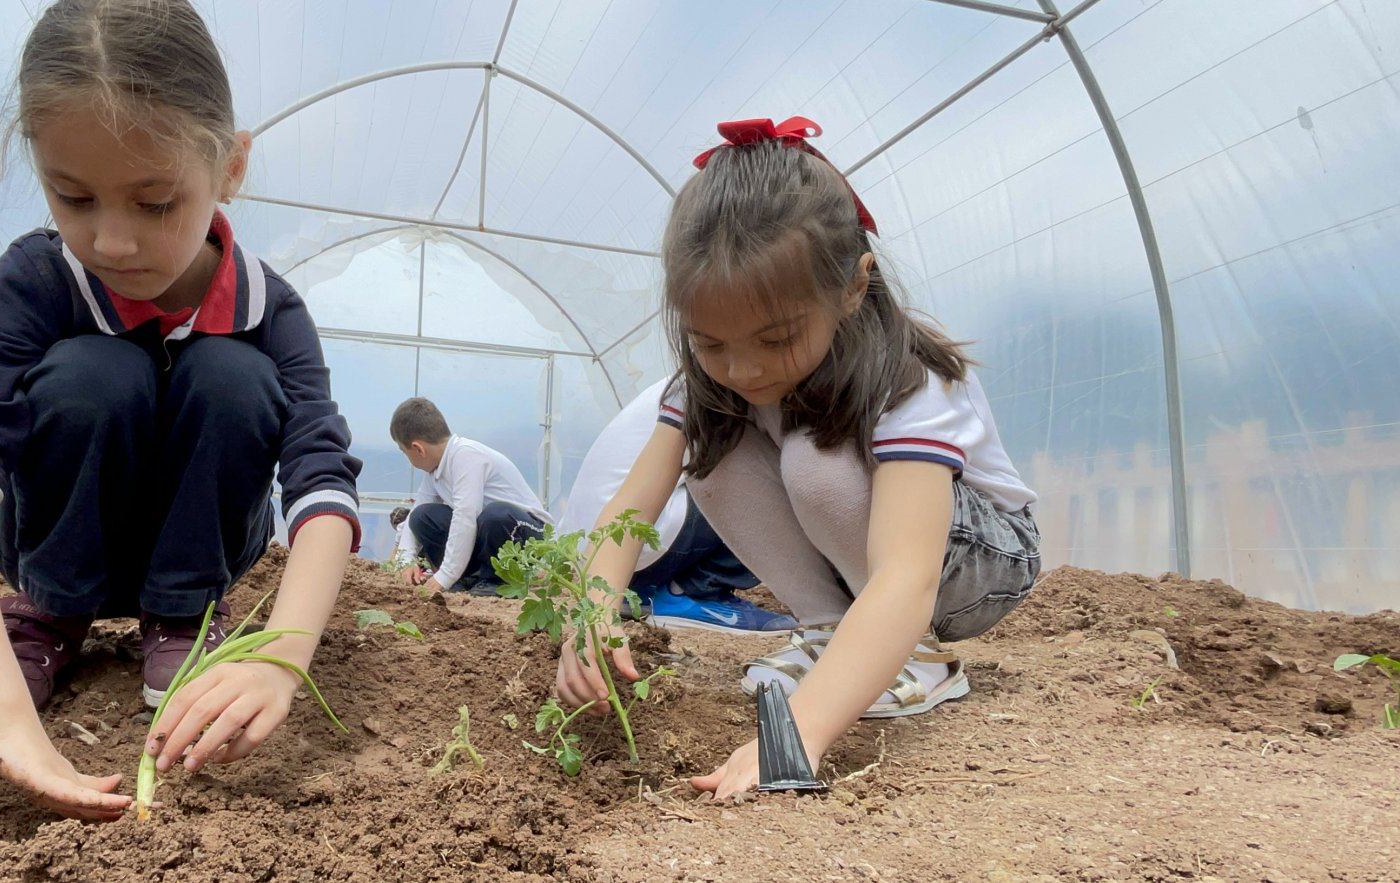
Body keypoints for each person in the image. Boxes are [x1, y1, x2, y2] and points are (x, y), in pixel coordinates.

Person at [0, 0, 362, 821]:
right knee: (92, 374)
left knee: (232, 377)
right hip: (50, 534)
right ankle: (49, 610)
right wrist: (4, 716)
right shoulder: (37, 280)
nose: (110, 242)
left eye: (154, 203)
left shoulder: (271, 308)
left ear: (231, 168)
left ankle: (179, 616)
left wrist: (281, 661)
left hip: (202, 547)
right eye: (72, 198)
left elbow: (321, 479)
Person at [553, 117, 1040, 799]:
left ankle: (919, 660)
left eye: (776, 338)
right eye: (710, 344)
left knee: (816, 456)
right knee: (710, 456)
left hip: (978, 561)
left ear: (853, 286)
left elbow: (907, 575)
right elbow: (632, 506)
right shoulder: (708, 381)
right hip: (883, 556)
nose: (742, 368)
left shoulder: (905, 378)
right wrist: (592, 610)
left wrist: (799, 732)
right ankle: (833, 631)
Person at [559, 379, 797, 634]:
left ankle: (638, 590)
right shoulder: (717, 387)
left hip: (593, 555)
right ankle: (696, 590)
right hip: (630, 546)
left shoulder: (677, 384)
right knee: (774, 480)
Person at [389, 397, 552, 595]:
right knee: (423, 516)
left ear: (418, 449)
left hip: (528, 533)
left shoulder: (467, 456)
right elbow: (415, 515)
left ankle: (497, 581)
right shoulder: (435, 471)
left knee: (495, 514)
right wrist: (405, 561)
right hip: (490, 539)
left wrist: (444, 577)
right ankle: (468, 579)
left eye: (404, 452)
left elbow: (465, 517)